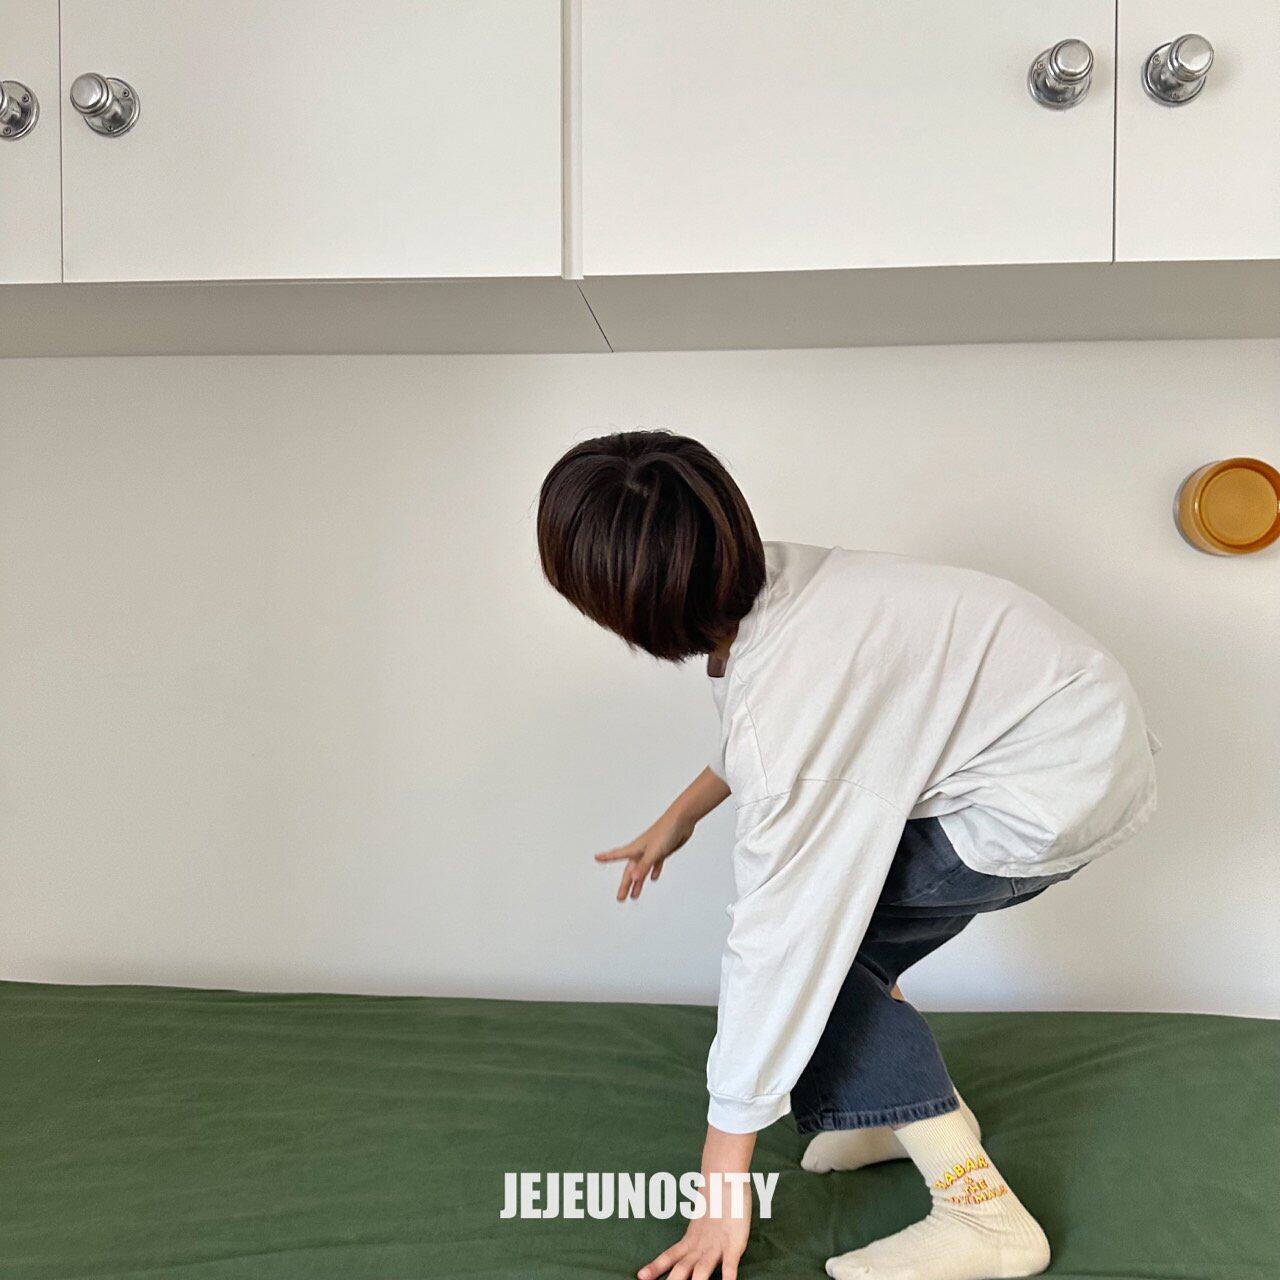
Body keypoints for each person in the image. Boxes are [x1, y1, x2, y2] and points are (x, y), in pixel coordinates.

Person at [536, 431, 1159, 1280]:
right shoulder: (783, 580)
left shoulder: (791, 693)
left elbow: (781, 940)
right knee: (842, 943)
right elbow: (792, 721)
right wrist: (681, 815)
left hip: (1045, 791)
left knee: (827, 969)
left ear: (626, 610)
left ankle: (984, 1216)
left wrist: (721, 1186)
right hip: (1081, 742)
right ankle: (898, 1112)